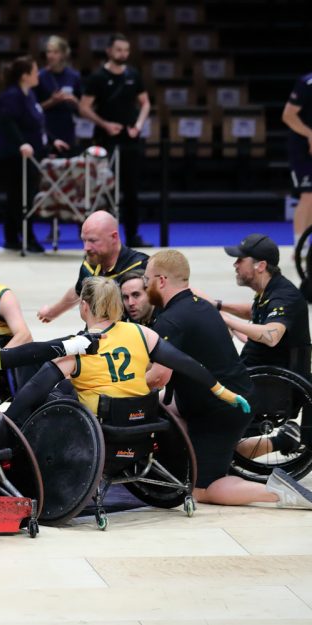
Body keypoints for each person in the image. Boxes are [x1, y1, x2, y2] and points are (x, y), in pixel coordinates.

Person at [142, 251, 312, 509]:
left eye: (146, 280)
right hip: (235, 397)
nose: (145, 286)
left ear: (162, 280)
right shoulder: (201, 306)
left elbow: (158, 379)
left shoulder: (172, 320)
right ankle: (272, 445)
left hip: (219, 411)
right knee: (168, 410)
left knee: (202, 488)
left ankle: (278, 493)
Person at [7, 276, 249, 420]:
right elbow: (187, 364)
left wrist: (6, 421)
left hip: (100, 420)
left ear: (84, 306)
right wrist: (223, 392)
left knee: (54, 393)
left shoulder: (77, 345)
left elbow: (33, 385)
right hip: (139, 416)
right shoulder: (142, 333)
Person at [79, 33, 152, 248]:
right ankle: (100, 239)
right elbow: (83, 107)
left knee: (131, 191)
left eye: (126, 50)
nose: (123, 54)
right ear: (109, 51)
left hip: (130, 141)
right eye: (119, 49)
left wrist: (138, 125)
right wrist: (105, 124)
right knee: (104, 191)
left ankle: (132, 236)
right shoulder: (98, 78)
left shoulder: (133, 75)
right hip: (106, 142)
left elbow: (146, 103)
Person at [0, 55, 69, 253]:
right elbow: (6, 123)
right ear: (25, 76)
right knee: (20, 197)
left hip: (30, 155)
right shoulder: (12, 96)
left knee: (19, 197)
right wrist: (22, 143)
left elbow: (36, 124)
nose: (38, 75)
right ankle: (26, 237)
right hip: (14, 155)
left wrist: (52, 140)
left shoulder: (29, 95)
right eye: (35, 72)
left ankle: (12, 238)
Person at [218, 234, 311, 376]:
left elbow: (271, 336)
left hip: (273, 384)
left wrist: (227, 320)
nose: (235, 264)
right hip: (257, 372)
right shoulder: (268, 289)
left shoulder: (284, 296)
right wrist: (218, 306)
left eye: (240, 260)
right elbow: (253, 311)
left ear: (260, 266)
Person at [37, 210, 148, 323]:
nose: (86, 247)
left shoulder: (140, 267)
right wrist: (52, 312)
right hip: (93, 334)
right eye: (84, 240)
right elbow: (79, 290)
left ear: (114, 237)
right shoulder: (92, 261)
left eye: (92, 240)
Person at [35, 35, 81, 152]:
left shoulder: (74, 76)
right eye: (49, 52)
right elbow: (33, 108)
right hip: (46, 127)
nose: (50, 56)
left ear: (63, 54)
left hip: (67, 126)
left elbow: (82, 108)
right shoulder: (39, 77)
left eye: (55, 52)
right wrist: (52, 101)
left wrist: (74, 101)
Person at [282, 71, 312, 250]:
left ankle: (306, 244)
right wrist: (310, 134)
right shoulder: (307, 83)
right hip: (302, 147)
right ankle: (299, 246)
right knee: (308, 195)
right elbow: (288, 115)